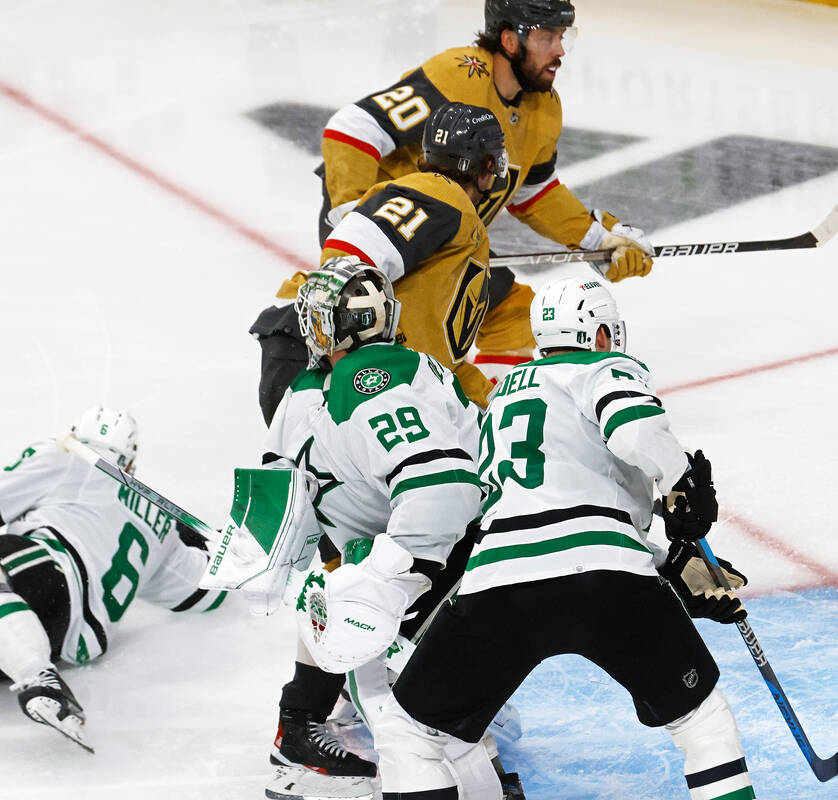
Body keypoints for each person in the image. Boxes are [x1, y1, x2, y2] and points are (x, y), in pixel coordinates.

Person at [369, 277, 757, 799]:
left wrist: (667, 562)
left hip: (498, 585)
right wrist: (681, 480)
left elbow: (535, 501)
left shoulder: (501, 397)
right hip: (606, 581)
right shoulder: (604, 368)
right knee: (701, 722)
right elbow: (635, 433)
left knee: (410, 733)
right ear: (599, 333)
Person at [250, 0, 656, 425]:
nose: (559, 50)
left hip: (452, 239)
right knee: (402, 338)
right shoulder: (459, 75)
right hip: (395, 232)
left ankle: (495, 425)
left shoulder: (543, 108)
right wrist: (354, 211)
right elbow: (352, 128)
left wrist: (596, 239)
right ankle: (353, 417)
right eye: (546, 36)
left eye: (562, 36)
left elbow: (533, 192)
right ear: (509, 39)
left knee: (511, 312)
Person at [264, 259, 522, 800]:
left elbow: (441, 489)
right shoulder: (309, 389)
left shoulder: (374, 380)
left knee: (453, 711)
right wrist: (258, 545)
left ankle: (419, 739)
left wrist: (396, 579)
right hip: (399, 553)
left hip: (443, 556)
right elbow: (283, 493)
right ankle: (309, 721)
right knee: (334, 596)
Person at [0, 407, 225, 752]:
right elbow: (203, 593)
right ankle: (32, 669)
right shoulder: (161, 525)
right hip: (65, 638)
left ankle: (37, 675)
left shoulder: (67, 457)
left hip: (51, 577)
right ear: (131, 462)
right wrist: (218, 543)